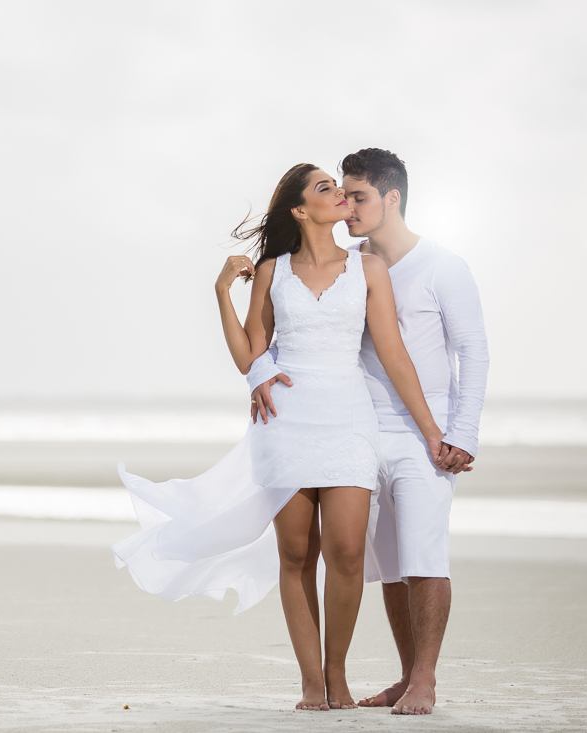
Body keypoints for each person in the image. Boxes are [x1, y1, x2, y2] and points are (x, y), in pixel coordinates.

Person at [112, 162, 446, 712]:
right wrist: (222, 292)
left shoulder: (370, 270)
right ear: (300, 210)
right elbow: (251, 355)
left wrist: (432, 431)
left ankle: (337, 674)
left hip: (347, 420)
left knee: (345, 551)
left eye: (337, 186)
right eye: (325, 188)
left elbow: (393, 355)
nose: (339, 193)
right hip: (284, 423)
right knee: (296, 554)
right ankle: (312, 683)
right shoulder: (272, 271)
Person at [248, 148, 490, 715]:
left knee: (422, 553)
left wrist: (458, 433)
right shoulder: (344, 259)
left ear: (392, 199)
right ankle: (405, 677)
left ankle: (425, 680)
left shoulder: (441, 267)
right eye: (342, 194)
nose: (348, 205)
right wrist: (260, 369)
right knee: (384, 563)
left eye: (357, 196)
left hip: (416, 428)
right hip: (353, 423)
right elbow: (291, 337)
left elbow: (470, 352)